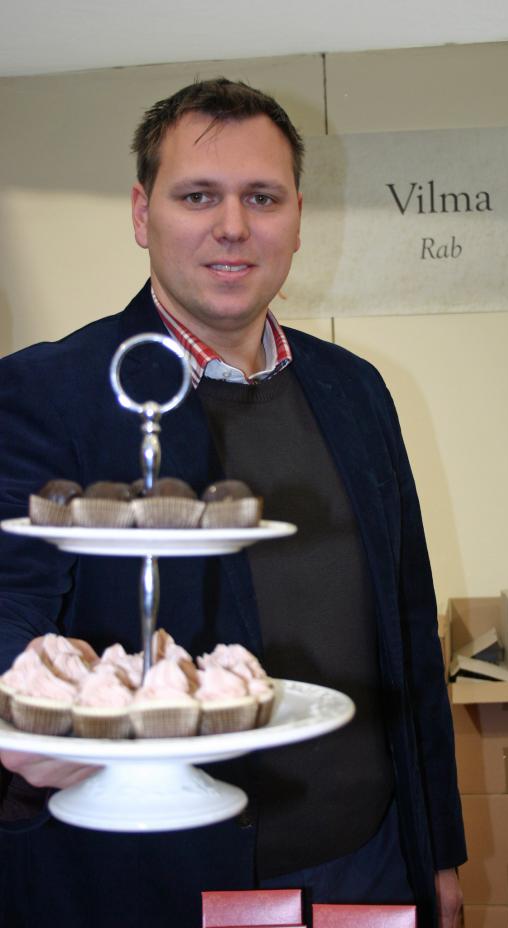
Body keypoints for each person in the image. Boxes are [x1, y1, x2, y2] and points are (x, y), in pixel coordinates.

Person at [0, 79, 466, 928]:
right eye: (197, 196)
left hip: (367, 866)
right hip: (154, 885)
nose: (233, 226)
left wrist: (437, 852)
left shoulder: (356, 391)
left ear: (296, 216)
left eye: (263, 197)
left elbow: (407, 627)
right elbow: (6, 601)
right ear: (143, 213)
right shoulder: (49, 391)